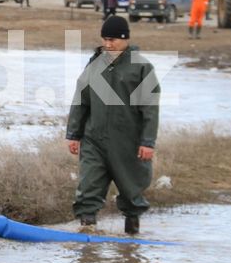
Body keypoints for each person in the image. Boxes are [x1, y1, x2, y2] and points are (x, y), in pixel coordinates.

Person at [65, 16, 160, 235]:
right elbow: (81, 99)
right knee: (88, 186)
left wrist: (147, 142)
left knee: (131, 189)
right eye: (105, 39)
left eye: (113, 40)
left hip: (128, 141)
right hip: (93, 139)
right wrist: (73, 134)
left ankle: (132, 236)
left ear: (125, 39)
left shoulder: (141, 67)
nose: (108, 44)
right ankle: (87, 236)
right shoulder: (95, 64)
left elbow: (150, 109)